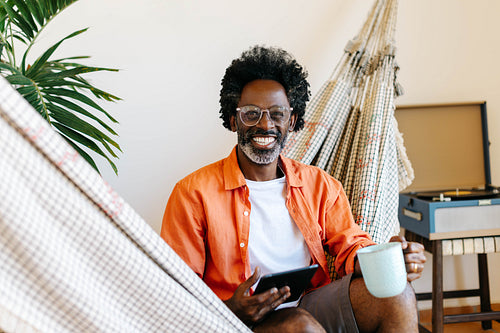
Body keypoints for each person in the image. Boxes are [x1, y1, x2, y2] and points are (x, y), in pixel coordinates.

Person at [161, 45, 426, 333]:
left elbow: (351, 247)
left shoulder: (320, 185)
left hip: (307, 308)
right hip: (230, 320)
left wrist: (387, 259)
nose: (265, 125)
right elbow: (174, 292)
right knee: (299, 326)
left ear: (293, 121)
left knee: (396, 293)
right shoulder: (193, 193)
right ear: (234, 119)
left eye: (277, 114)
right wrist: (230, 309)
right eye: (251, 113)